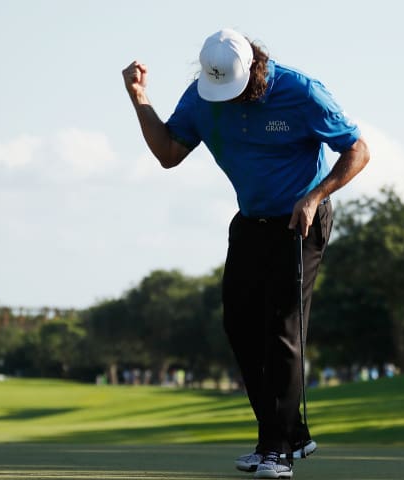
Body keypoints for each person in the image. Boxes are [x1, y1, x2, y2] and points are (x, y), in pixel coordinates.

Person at [122, 29, 369, 479]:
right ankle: (284, 435)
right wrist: (140, 98)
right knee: (239, 326)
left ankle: (277, 449)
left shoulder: (301, 91)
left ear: (255, 67)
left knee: (281, 329)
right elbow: (169, 153)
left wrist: (315, 196)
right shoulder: (203, 98)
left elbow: (357, 150)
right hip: (251, 220)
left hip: (300, 220)